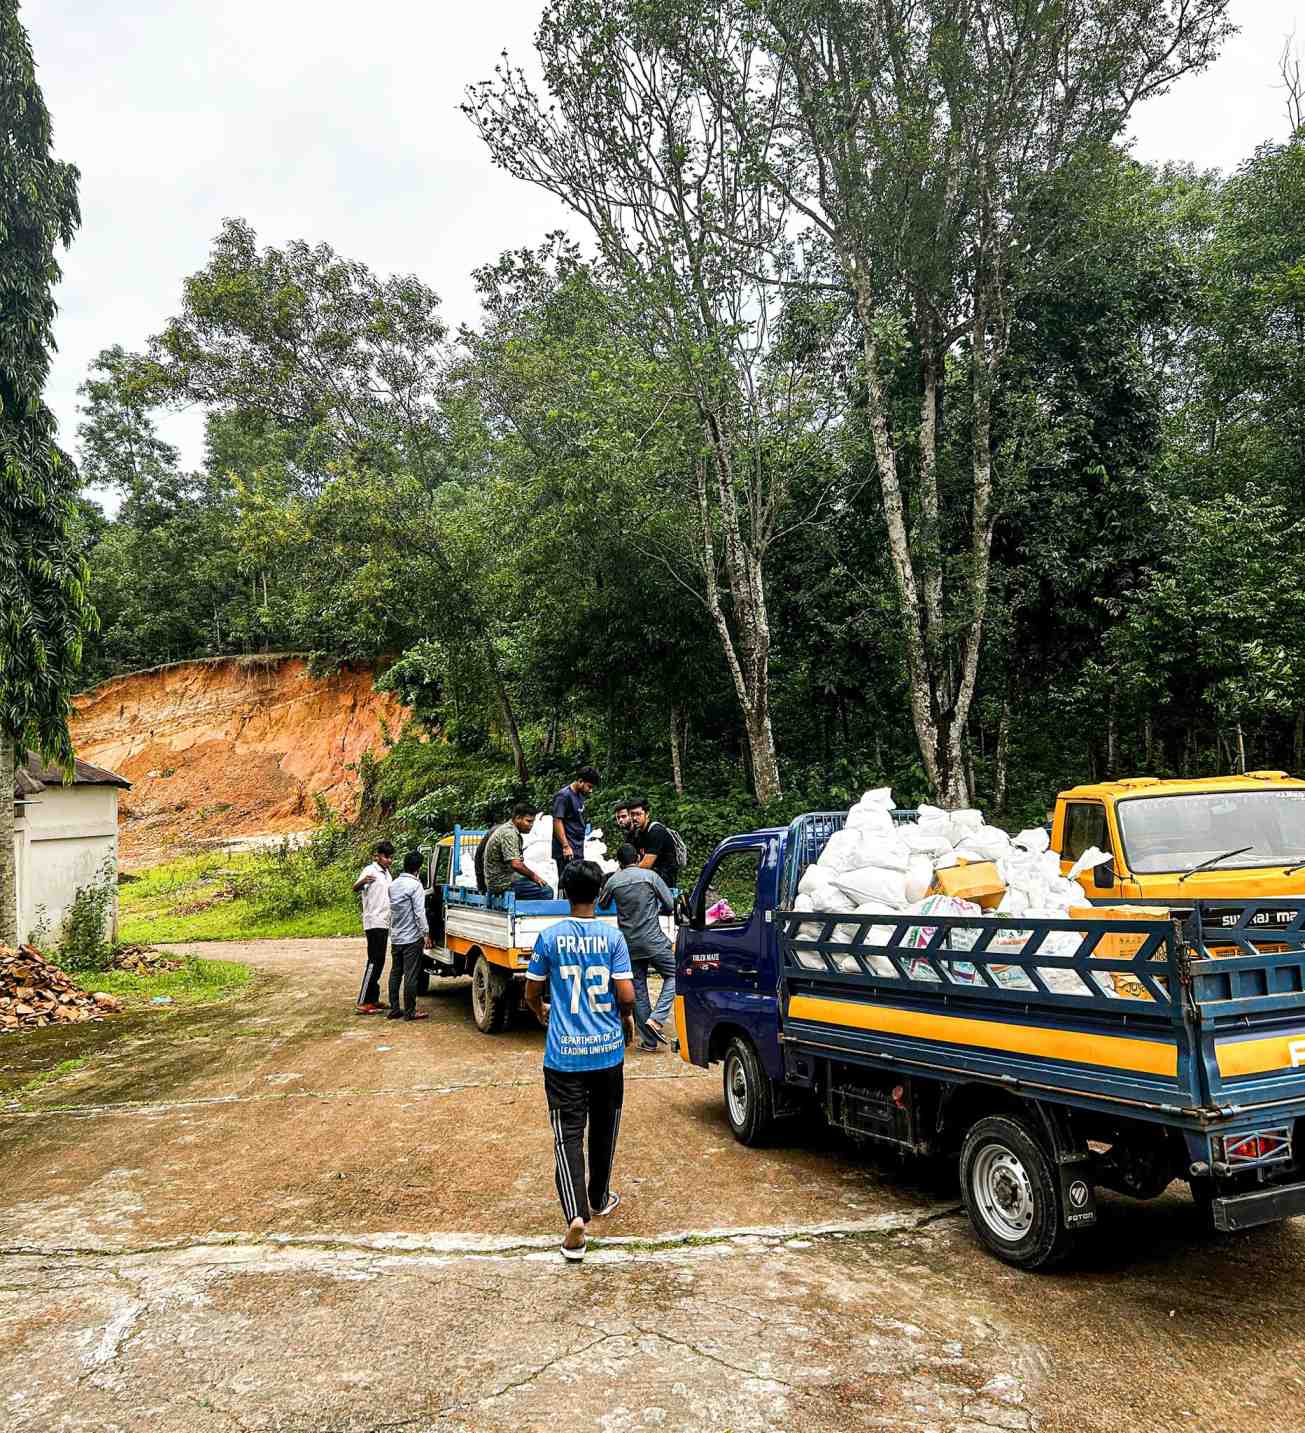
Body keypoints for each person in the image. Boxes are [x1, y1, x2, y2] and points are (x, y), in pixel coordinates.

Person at [524, 859, 635, 1262]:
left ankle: (576, 1217)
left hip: (564, 1057)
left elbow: (532, 991)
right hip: (607, 1053)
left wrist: (540, 1011)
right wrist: (626, 1021)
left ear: (565, 892)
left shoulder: (549, 937)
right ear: (600, 892)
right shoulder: (613, 938)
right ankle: (600, 1196)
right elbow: (626, 995)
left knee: (568, 1133)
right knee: (606, 1125)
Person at [600, 844, 676, 1052]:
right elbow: (670, 905)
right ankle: (658, 1018)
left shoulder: (614, 881)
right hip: (654, 941)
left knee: (639, 989)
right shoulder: (650, 877)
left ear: (619, 863)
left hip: (629, 944)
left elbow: (603, 904)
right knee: (675, 974)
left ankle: (649, 1042)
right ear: (639, 856)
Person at [387, 850, 432, 1022]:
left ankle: (394, 1008)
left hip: (396, 937)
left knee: (395, 972)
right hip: (411, 938)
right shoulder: (415, 886)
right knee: (411, 975)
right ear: (418, 868)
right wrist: (426, 933)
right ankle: (410, 1011)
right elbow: (419, 913)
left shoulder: (394, 884)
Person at [352, 840, 394, 1014]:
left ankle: (373, 999)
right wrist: (363, 881)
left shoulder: (387, 873)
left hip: (384, 922)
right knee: (373, 961)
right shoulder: (370, 870)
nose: (389, 860)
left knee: (380, 961)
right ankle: (363, 1001)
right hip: (373, 921)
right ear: (377, 856)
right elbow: (355, 887)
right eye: (386, 857)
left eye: (391, 857)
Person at [484, 802, 554, 901]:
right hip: (501, 883)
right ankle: (530, 916)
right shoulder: (509, 833)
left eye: (532, 822)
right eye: (528, 821)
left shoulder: (508, 830)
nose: (531, 825)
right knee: (546, 891)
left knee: (535, 883)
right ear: (517, 818)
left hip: (504, 879)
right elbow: (516, 864)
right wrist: (535, 876)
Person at [552, 765, 600, 879]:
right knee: (567, 881)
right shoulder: (564, 796)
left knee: (578, 880)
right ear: (580, 781)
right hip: (567, 849)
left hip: (577, 847)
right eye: (589, 786)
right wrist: (565, 846)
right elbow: (557, 821)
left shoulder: (579, 796)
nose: (591, 790)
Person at [628, 796, 678, 888]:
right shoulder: (637, 833)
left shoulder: (656, 831)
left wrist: (625, 873)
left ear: (647, 814)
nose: (634, 818)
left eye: (638, 814)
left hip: (664, 878)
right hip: (648, 876)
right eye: (632, 814)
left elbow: (646, 864)